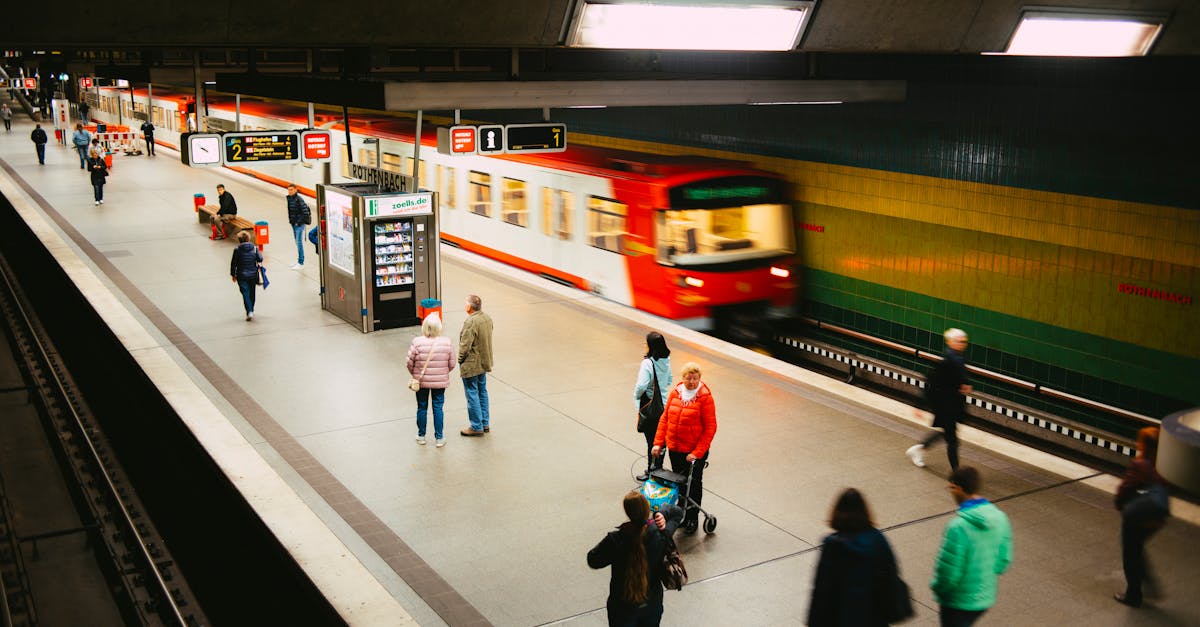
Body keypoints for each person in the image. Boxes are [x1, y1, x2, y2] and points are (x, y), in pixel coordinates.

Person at [807, 488, 903, 627]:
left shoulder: (832, 544)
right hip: (873, 615)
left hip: (840, 616)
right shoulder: (878, 539)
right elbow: (891, 575)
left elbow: (822, 587)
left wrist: (814, 621)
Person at [587, 491, 684, 627]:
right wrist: (661, 513)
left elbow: (593, 559)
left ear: (628, 512)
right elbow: (678, 512)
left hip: (622, 608)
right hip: (652, 604)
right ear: (647, 509)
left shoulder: (615, 540)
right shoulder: (661, 533)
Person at [930, 466, 1012, 627]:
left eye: (951, 488)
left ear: (958, 488)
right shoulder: (1000, 518)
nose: (951, 492)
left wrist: (938, 588)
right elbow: (1004, 560)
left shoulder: (958, 527)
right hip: (984, 598)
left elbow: (949, 572)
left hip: (957, 601)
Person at [651, 362, 716, 534]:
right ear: (683, 378)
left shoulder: (705, 398)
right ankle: (680, 514)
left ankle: (692, 518)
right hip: (676, 448)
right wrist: (658, 443)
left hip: (694, 452)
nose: (692, 382)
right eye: (689, 378)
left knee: (693, 484)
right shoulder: (676, 393)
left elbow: (710, 428)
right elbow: (665, 420)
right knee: (678, 485)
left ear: (699, 379)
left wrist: (697, 453)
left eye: (695, 378)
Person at [1113, 426, 1168, 608]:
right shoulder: (1163, 466)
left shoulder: (1140, 464)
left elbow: (1126, 488)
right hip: (1157, 517)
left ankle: (1133, 594)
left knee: (1131, 553)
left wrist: (1120, 504)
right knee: (1137, 548)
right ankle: (1148, 583)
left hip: (1137, 516)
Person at [907, 329, 972, 470]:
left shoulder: (958, 358)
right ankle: (956, 474)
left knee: (948, 434)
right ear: (950, 342)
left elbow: (957, 378)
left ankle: (920, 448)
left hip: (953, 404)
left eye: (964, 341)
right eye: (959, 341)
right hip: (945, 405)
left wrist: (964, 385)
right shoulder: (946, 361)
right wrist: (919, 405)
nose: (962, 344)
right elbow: (930, 383)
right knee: (952, 440)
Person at [407, 313, 456, 448]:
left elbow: (409, 362)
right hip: (440, 382)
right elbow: (452, 363)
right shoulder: (447, 342)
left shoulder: (417, 342)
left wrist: (415, 374)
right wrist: (442, 373)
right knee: (438, 408)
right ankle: (439, 438)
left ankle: (421, 435)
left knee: (422, 407)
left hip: (421, 382)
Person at [633, 332, 672, 481]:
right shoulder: (666, 359)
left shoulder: (647, 363)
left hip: (651, 406)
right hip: (664, 404)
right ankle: (658, 468)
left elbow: (642, 385)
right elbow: (669, 380)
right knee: (660, 440)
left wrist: (637, 395)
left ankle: (651, 471)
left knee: (652, 441)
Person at [458, 294, 494, 436]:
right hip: (484, 362)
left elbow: (465, 345)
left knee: (472, 393)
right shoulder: (487, 318)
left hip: (472, 365)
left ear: (468, 307)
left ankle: (476, 426)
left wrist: (460, 359)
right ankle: (485, 423)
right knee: (482, 391)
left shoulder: (470, 322)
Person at [229, 231, 262, 321]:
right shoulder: (254, 248)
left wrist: (233, 275)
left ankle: (249, 310)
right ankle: (251, 309)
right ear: (248, 239)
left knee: (245, 293)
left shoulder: (237, 250)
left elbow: (233, 264)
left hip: (241, 275)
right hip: (253, 275)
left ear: (239, 240)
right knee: (252, 293)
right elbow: (260, 258)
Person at [285, 184, 312, 269]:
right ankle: (299, 261)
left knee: (299, 243)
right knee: (297, 242)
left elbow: (305, 213)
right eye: (289, 190)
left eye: (292, 189)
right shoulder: (290, 199)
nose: (290, 191)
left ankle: (301, 263)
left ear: (296, 190)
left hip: (299, 225)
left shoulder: (299, 200)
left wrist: (298, 223)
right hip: (293, 224)